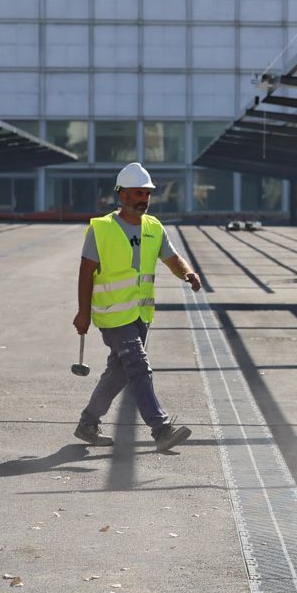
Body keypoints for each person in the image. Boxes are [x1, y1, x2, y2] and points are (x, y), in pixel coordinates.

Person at [72, 162, 202, 452]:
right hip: (113, 315)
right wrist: (83, 312)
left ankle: (88, 423)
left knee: (118, 372)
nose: (143, 199)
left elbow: (172, 258)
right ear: (121, 195)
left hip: (141, 315)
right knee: (139, 367)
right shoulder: (102, 229)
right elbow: (85, 273)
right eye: (137, 193)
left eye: (147, 193)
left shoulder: (154, 228)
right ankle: (161, 429)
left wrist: (188, 273)